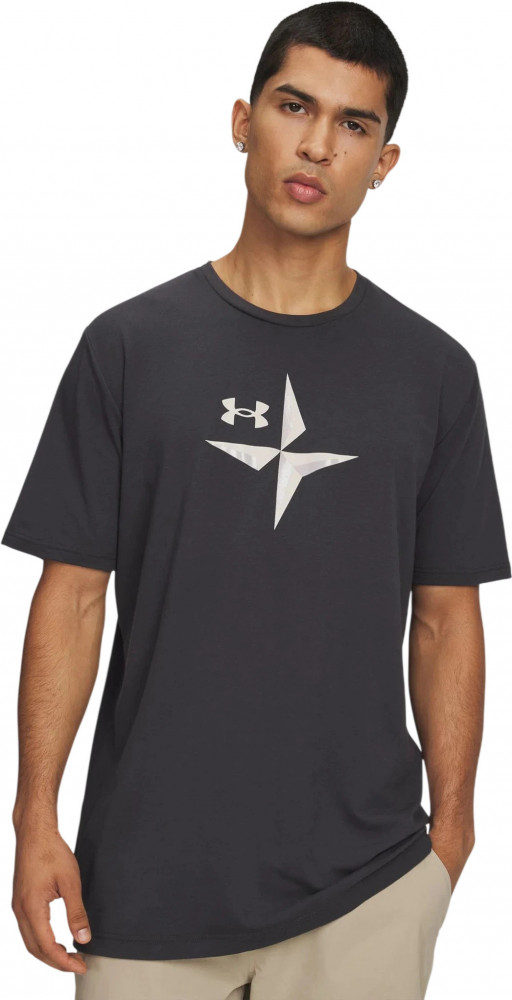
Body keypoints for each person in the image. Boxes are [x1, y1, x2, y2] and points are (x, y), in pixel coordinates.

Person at [4, 3, 510, 999]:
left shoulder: (434, 373)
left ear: (384, 161)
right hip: (142, 883)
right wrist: (34, 820)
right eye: (293, 106)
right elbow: (71, 599)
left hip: (366, 886)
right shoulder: (128, 349)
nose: (317, 144)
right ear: (243, 121)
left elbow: (447, 617)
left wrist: (449, 836)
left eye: (353, 124)